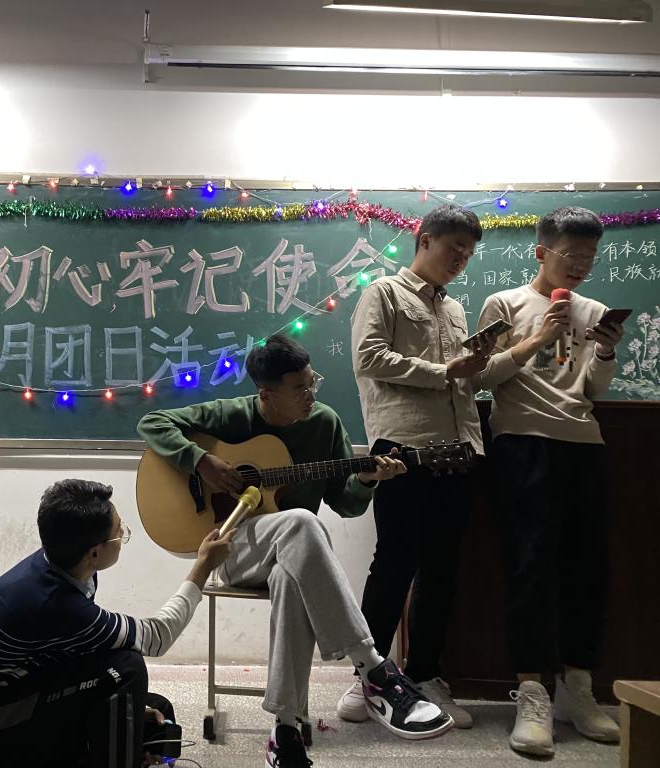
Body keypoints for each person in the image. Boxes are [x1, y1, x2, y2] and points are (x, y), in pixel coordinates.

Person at [137, 333, 452, 768]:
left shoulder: (324, 424)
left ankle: (284, 731)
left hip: (295, 554)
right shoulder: (232, 415)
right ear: (267, 395)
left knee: (292, 573)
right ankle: (373, 667)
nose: (310, 394)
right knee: (303, 521)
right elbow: (152, 422)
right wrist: (202, 461)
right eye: (299, 388)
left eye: (312, 382)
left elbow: (344, 503)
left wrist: (367, 480)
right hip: (233, 548)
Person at [0, 478, 234, 768]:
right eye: (120, 531)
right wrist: (203, 565)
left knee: (149, 708)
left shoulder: (62, 564)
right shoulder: (55, 602)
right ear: (94, 553)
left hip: (0, 701)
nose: (123, 535)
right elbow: (156, 637)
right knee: (127, 669)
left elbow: (77, 657)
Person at [473, 206, 623, 757]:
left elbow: (593, 388)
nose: (581, 265)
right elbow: (481, 375)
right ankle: (532, 693)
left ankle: (577, 689)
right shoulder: (503, 304)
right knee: (530, 565)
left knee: (589, 567)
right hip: (521, 441)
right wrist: (538, 338)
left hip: (584, 443)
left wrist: (604, 350)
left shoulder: (595, 310)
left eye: (590, 256)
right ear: (541, 252)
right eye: (571, 254)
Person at [343, 203, 490, 729]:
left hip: (458, 451)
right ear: (424, 240)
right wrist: (445, 370)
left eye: (468, 254)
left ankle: (425, 675)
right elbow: (368, 357)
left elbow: (460, 380)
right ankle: (367, 676)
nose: (461, 260)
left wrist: (477, 367)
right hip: (402, 450)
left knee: (442, 571)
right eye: (455, 248)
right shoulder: (383, 293)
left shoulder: (456, 309)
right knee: (394, 564)